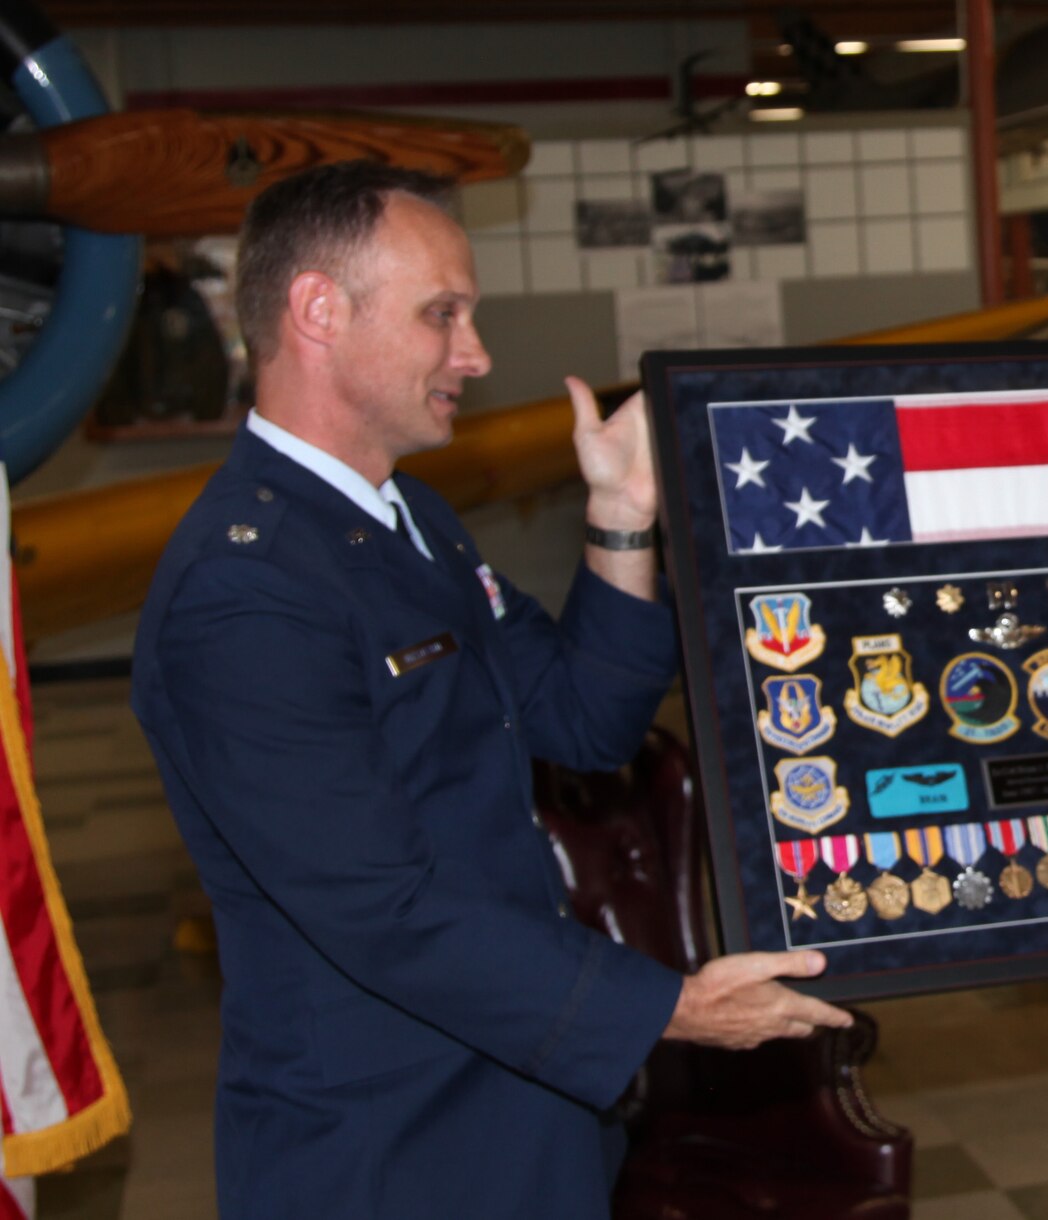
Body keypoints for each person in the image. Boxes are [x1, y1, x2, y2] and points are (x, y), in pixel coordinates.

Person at [129, 161, 850, 1220]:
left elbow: (583, 720)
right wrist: (672, 1007)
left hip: (523, 1106)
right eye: (442, 314)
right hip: (386, 1148)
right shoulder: (246, 588)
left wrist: (619, 514)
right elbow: (380, 904)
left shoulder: (407, 520)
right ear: (318, 310)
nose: (475, 353)